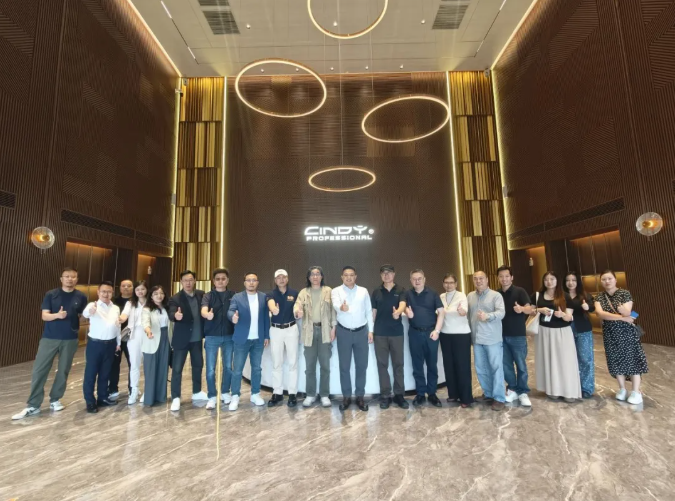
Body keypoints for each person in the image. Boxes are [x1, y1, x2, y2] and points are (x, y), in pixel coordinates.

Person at [12, 267, 87, 420]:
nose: (70, 279)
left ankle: (55, 399)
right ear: (61, 279)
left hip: (70, 339)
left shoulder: (81, 296)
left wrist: (91, 314)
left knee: (63, 370)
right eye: (67, 276)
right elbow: (44, 316)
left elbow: (81, 316)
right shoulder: (51, 294)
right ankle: (33, 405)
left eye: (73, 277)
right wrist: (57, 315)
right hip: (49, 338)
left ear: (77, 279)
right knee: (39, 370)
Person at [594, 270, 648, 405]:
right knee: (615, 360)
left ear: (615, 280)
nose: (607, 281)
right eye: (604, 279)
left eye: (610, 278)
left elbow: (628, 312)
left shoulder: (624, 293)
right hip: (610, 333)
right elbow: (600, 314)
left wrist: (623, 314)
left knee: (632, 360)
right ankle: (622, 389)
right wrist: (622, 317)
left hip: (627, 333)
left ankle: (636, 391)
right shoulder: (599, 297)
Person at [331, 266, 374, 412]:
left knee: (361, 366)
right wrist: (341, 308)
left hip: (362, 332)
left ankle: (360, 396)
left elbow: (368, 311)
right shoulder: (336, 291)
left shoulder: (363, 291)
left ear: (356, 277)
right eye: (346, 275)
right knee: (344, 367)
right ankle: (346, 397)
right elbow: (336, 305)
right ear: (342, 277)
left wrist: (371, 330)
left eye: (351, 275)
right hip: (344, 332)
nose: (348, 277)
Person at [534, 271, 581, 403]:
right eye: (546, 279)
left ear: (557, 281)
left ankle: (569, 391)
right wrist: (539, 310)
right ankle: (552, 390)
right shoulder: (538, 295)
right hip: (544, 332)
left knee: (565, 362)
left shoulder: (565, 296)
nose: (549, 282)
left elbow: (569, 317)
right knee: (548, 360)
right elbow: (530, 311)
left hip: (562, 332)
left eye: (552, 279)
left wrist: (563, 315)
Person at [227, 273, 270, 411]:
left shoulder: (263, 297)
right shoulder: (237, 297)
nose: (251, 283)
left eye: (254, 280)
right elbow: (230, 311)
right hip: (241, 339)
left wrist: (266, 335)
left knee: (256, 368)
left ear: (257, 282)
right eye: (248, 280)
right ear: (244, 282)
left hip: (258, 339)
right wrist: (233, 317)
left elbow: (266, 318)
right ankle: (235, 396)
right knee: (237, 369)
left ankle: (255, 394)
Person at [294, 266, 336, 408]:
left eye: (318, 274)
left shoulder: (328, 291)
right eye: (312, 274)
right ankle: (310, 394)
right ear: (309, 277)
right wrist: (297, 312)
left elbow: (333, 311)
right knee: (310, 366)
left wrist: (334, 328)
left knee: (325, 366)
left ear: (322, 276)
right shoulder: (303, 292)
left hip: (325, 331)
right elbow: (297, 306)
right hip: (309, 332)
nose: (315, 276)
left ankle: (324, 395)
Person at [167, 270, 207, 411]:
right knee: (177, 369)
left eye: (190, 280)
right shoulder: (175, 298)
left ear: (195, 280)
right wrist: (175, 316)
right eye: (185, 280)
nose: (188, 283)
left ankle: (197, 392)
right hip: (181, 339)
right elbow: (171, 312)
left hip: (197, 339)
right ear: (181, 282)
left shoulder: (201, 295)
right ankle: (176, 397)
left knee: (198, 366)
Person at [405, 269, 445, 408]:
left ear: (424, 279)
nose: (417, 281)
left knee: (432, 365)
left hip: (431, 333)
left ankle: (432, 393)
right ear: (411, 280)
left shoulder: (433, 293)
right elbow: (402, 307)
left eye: (420, 278)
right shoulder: (407, 294)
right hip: (414, 333)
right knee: (417, 365)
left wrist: (437, 330)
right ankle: (420, 393)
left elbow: (441, 312)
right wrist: (407, 312)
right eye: (414, 279)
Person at [371, 265, 409, 409]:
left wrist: (398, 312)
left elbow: (403, 304)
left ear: (394, 274)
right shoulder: (376, 292)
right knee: (382, 365)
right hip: (380, 333)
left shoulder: (400, 290)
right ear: (381, 275)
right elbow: (373, 313)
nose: (386, 275)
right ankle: (385, 395)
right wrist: (371, 330)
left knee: (398, 364)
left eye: (389, 273)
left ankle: (399, 395)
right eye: (384, 273)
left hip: (396, 333)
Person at [467, 271, 506, 411]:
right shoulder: (470, 296)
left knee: (496, 368)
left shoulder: (496, 296)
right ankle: (488, 394)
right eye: (475, 279)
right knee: (481, 368)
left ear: (487, 279)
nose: (478, 281)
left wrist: (487, 316)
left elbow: (501, 313)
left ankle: (499, 398)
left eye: (481, 278)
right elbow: (468, 316)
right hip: (477, 339)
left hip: (492, 339)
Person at [82, 281, 122, 413]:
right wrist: (90, 311)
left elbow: (117, 326)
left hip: (111, 344)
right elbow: (86, 314)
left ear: (112, 293)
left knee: (105, 373)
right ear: (98, 292)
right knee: (91, 373)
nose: (106, 294)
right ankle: (90, 401)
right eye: (103, 291)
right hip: (95, 344)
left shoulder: (115, 308)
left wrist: (118, 342)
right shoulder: (92, 305)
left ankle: (103, 397)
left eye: (109, 291)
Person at [497, 266, 534, 407]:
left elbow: (530, 309)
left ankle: (523, 391)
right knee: (506, 365)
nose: (504, 279)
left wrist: (522, 309)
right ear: (498, 278)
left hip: (518, 335)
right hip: (501, 336)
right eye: (501, 276)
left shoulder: (520, 291)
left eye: (507, 276)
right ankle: (512, 389)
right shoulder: (496, 294)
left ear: (511, 277)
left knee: (521, 365)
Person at [201, 268, 236, 410]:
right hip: (212, 336)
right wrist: (207, 315)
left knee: (228, 367)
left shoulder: (233, 295)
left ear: (227, 280)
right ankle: (212, 396)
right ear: (213, 281)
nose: (220, 281)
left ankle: (225, 392)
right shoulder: (208, 296)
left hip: (229, 336)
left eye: (223, 279)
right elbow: (203, 309)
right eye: (217, 279)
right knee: (210, 369)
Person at [266, 269, 300, 408]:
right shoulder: (270, 294)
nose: (281, 279)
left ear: (287, 278)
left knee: (293, 362)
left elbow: (298, 307)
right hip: (275, 330)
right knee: (277, 362)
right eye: (278, 277)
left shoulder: (295, 293)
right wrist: (273, 309)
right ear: (275, 280)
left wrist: (298, 312)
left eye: (283, 277)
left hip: (291, 329)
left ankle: (292, 394)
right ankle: (277, 392)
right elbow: (270, 303)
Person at [439, 273, 473, 408]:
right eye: (446, 282)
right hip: (445, 334)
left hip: (461, 335)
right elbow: (438, 312)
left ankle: (466, 398)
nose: (449, 285)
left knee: (462, 366)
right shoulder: (441, 296)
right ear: (443, 284)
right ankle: (453, 394)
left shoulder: (461, 295)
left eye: (451, 282)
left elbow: (464, 311)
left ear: (456, 284)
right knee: (449, 366)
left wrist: (461, 311)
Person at [563, 271, 596, 398]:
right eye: (568, 280)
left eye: (573, 280)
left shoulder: (584, 295)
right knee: (568, 359)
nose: (570, 283)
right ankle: (571, 386)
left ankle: (586, 388)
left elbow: (592, 307)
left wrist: (588, 307)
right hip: (565, 330)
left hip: (583, 329)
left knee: (585, 359)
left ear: (578, 282)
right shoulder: (561, 296)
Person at [118, 280, 149, 405]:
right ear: (134, 291)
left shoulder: (151, 302)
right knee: (134, 365)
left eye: (143, 289)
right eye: (138, 289)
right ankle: (134, 391)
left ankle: (148, 391)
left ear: (147, 289)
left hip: (149, 336)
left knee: (148, 365)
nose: (140, 292)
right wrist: (120, 319)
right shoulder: (130, 303)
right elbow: (124, 315)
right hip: (134, 336)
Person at [141, 285, 170, 406]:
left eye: (161, 293)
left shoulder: (167, 308)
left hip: (165, 339)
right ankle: (149, 398)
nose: (159, 296)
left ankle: (161, 397)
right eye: (156, 294)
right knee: (151, 370)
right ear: (151, 296)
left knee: (163, 369)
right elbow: (145, 322)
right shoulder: (147, 309)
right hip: (152, 340)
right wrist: (148, 331)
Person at [108, 279, 133, 401]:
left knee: (132, 363)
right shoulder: (113, 301)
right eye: (124, 285)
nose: (126, 287)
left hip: (131, 337)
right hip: (116, 337)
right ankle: (113, 388)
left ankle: (132, 388)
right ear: (120, 287)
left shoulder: (136, 301)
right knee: (114, 364)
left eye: (129, 285)